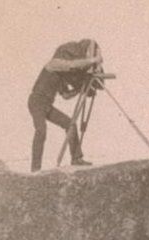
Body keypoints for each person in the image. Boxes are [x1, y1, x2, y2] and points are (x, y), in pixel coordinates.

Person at [28, 39, 103, 171]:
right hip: (37, 102)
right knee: (41, 131)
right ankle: (35, 169)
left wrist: (80, 89)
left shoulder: (60, 75)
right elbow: (72, 65)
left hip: (46, 105)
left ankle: (76, 158)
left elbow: (65, 95)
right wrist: (93, 60)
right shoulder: (54, 64)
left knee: (70, 124)